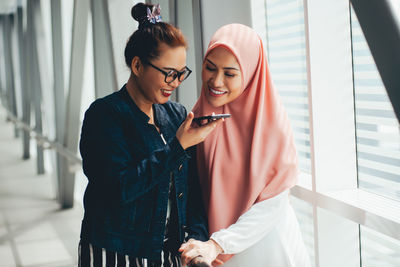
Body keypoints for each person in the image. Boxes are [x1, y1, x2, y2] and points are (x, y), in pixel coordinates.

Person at [78, 3, 222, 266]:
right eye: (169, 74)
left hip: (167, 253)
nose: (176, 83)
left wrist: (197, 240)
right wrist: (177, 147)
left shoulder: (177, 116)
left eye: (181, 74)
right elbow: (118, 189)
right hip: (115, 251)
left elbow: (192, 192)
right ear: (137, 65)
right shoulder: (104, 115)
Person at [179, 24, 311, 267]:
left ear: (250, 73)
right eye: (210, 68)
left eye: (229, 74)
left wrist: (218, 244)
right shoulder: (197, 117)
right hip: (211, 251)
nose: (216, 81)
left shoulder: (271, 125)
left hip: (265, 248)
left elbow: (272, 206)